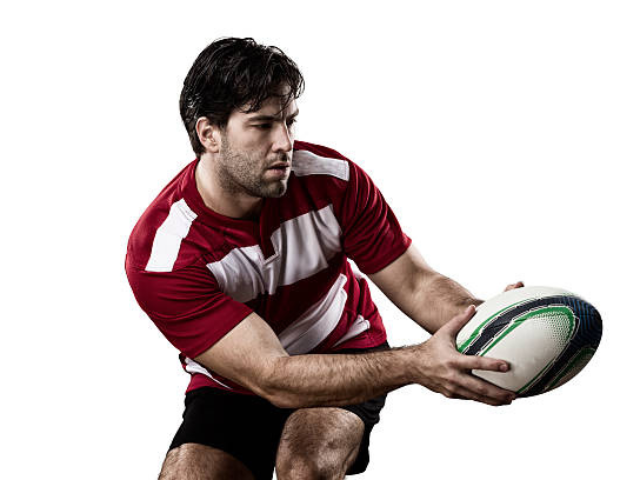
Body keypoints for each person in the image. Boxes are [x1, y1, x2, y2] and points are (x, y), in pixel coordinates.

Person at [125, 37, 521, 480]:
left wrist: (493, 325)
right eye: (262, 125)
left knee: (304, 469)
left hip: (344, 348)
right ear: (209, 134)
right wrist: (416, 364)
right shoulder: (162, 256)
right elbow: (271, 375)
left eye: (289, 122)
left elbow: (415, 282)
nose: (285, 143)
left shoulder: (334, 182)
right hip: (240, 379)